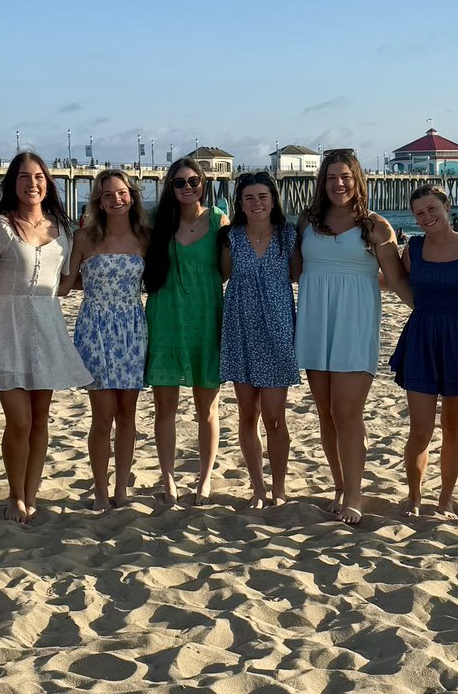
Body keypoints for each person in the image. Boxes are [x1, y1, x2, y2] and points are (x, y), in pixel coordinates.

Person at [294, 147, 412, 525]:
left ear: (357, 180)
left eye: (345, 176)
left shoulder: (375, 226)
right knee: (326, 414)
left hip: (354, 324)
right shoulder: (307, 221)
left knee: (347, 412)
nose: (338, 184)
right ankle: (341, 486)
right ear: (322, 182)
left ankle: (355, 495)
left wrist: (430, 309)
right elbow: (294, 270)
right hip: (315, 322)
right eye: (331, 177)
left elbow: (395, 281)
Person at [0, 151, 92, 524]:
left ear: (48, 183)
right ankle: (14, 495)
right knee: (19, 420)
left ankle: (31, 493)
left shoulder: (62, 229)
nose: (33, 183)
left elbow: (63, 284)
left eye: (39, 177)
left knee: (41, 419)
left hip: (47, 321)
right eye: (24, 177)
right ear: (13, 184)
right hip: (6, 322)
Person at [392, 185, 458, 520]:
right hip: (422, 337)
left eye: (431, 210)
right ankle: (414, 496)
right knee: (420, 429)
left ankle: (446, 499)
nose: (426, 218)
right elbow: (399, 282)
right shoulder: (414, 248)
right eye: (419, 213)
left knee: (454, 426)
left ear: (446, 207)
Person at [143, 157, 227, 504]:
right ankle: (168, 478)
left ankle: (204, 479)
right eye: (179, 183)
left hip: (206, 318)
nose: (188, 188)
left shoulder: (220, 220)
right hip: (166, 318)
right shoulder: (156, 223)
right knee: (165, 407)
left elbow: (225, 271)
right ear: (170, 187)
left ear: (203, 184)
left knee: (206, 408)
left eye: (194, 181)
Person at [219, 172, 301, 509]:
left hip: (278, 329)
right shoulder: (230, 237)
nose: (256, 204)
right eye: (249, 198)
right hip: (240, 329)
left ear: (273, 200)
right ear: (240, 202)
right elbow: (224, 275)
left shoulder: (288, 236)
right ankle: (258, 487)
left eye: (263, 197)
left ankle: (279, 487)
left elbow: (297, 275)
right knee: (247, 415)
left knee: (275, 416)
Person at [69, 169, 149, 511]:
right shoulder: (85, 238)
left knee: (128, 416)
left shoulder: (145, 237)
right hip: (96, 326)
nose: (116, 199)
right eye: (107, 195)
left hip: (132, 327)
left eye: (121, 193)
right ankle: (100, 489)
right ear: (98, 201)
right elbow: (65, 283)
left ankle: (121, 488)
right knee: (102, 416)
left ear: (131, 195)